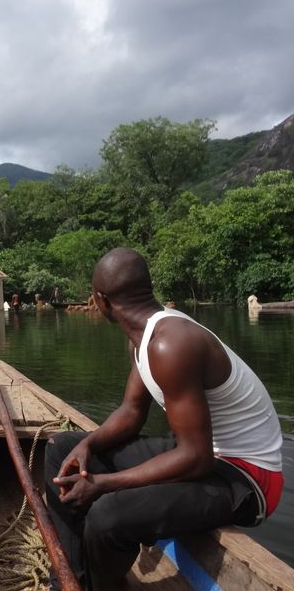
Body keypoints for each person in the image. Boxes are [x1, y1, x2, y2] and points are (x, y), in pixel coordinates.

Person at [44, 248, 283, 590]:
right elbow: (131, 412)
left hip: (247, 476)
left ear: (101, 300)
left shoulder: (171, 344)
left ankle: (100, 584)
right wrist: (88, 444)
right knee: (60, 448)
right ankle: (70, 580)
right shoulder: (143, 339)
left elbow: (196, 458)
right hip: (200, 450)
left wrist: (104, 483)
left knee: (106, 515)